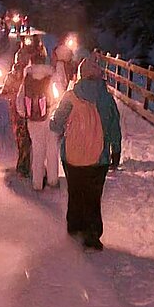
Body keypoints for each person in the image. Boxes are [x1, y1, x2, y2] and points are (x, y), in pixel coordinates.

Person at [50, 55, 121, 250]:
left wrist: (56, 123)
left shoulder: (70, 97)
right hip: (99, 160)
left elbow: (56, 124)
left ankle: (75, 226)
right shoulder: (107, 99)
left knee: (75, 191)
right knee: (93, 196)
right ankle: (92, 234)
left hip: (72, 157)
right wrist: (115, 151)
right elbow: (114, 128)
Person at [16, 49, 59, 190]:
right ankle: (53, 180)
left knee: (37, 149)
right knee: (52, 149)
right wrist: (53, 110)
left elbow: (19, 102)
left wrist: (26, 114)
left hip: (33, 121)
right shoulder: (52, 76)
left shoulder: (27, 79)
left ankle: (37, 183)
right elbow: (58, 96)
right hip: (51, 117)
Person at [0, 60, 31, 176]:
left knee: (24, 138)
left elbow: (3, 93)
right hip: (20, 112)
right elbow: (3, 93)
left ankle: (24, 165)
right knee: (23, 138)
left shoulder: (27, 76)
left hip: (24, 111)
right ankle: (24, 164)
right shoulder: (15, 77)